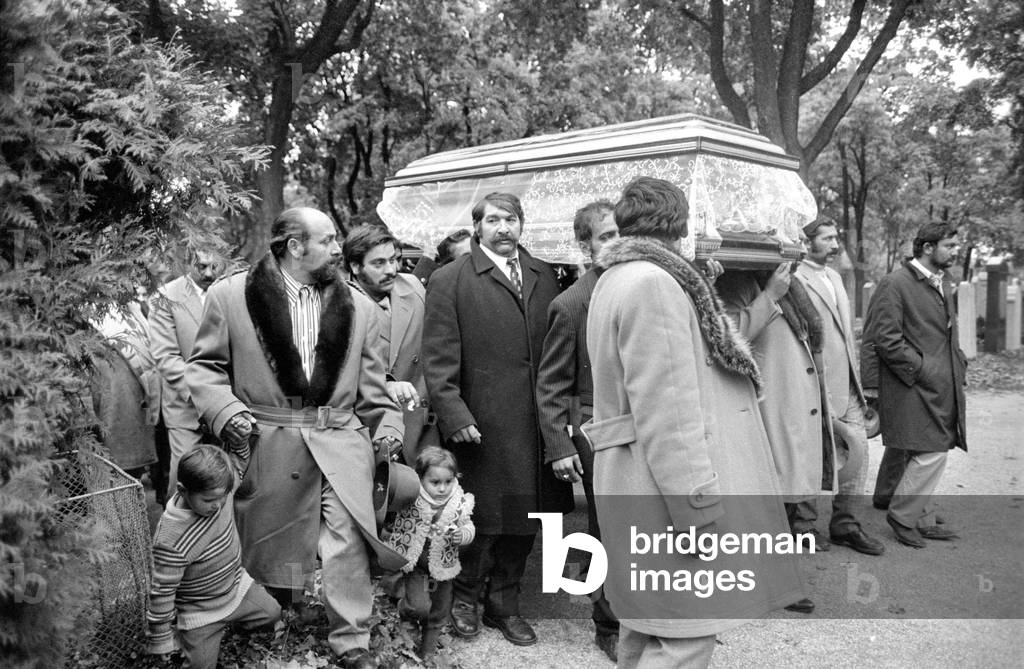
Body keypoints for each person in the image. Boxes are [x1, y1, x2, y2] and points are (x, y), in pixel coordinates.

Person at [582, 177, 803, 668]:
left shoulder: (617, 277)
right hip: (664, 490)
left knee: (646, 625)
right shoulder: (655, 285)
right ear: (680, 228)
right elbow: (670, 414)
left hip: (634, 476)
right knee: (685, 636)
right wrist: (696, 509)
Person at [186, 207, 406, 669]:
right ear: (294, 246)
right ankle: (274, 617)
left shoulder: (361, 308)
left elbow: (375, 388)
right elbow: (203, 369)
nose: (337, 249)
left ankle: (353, 642)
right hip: (269, 439)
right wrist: (227, 412)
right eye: (328, 240)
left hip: (340, 440)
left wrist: (388, 426)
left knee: (347, 538)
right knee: (279, 539)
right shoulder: (231, 297)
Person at [422, 192, 571, 646]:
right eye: (492, 220)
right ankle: (465, 599)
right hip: (483, 422)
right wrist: (454, 413)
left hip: (538, 420)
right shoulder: (451, 279)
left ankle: (505, 605)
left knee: (529, 518)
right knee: (482, 520)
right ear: (477, 228)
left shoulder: (546, 275)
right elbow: (438, 357)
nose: (503, 228)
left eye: (511, 219)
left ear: (522, 224)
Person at [534, 200, 620, 661]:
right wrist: (560, 443)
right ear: (584, 246)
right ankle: (608, 623)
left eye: (620, 233)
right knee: (608, 526)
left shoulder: (644, 287)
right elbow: (551, 384)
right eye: (606, 236)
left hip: (642, 425)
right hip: (593, 430)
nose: (616, 243)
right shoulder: (570, 304)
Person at [717, 262, 835, 555]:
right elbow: (729, 339)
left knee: (786, 505)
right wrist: (769, 295)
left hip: (794, 408)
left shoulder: (787, 281)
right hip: (768, 413)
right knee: (765, 511)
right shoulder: (737, 280)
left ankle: (778, 585)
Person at [862, 222, 966, 548]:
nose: (955, 251)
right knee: (933, 448)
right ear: (927, 248)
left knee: (921, 447)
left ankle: (921, 516)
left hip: (937, 383)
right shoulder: (895, 284)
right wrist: (924, 370)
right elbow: (885, 340)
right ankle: (904, 514)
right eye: (949, 245)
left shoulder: (943, 281)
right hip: (911, 383)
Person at [793, 219, 885, 555]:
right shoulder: (793, 277)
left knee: (857, 455)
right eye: (827, 239)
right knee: (813, 456)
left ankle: (846, 526)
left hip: (848, 385)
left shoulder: (834, 277)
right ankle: (802, 527)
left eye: (836, 238)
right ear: (806, 242)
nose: (834, 245)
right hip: (815, 384)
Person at [146, 445, 281, 669]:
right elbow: (161, 591)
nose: (217, 505)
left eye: (222, 497)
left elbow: (239, 461)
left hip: (236, 589)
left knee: (272, 614)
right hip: (201, 612)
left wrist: (239, 433)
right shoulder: (171, 540)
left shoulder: (221, 491)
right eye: (209, 500)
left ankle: (236, 623)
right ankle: (189, 638)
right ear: (182, 489)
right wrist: (160, 640)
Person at [344, 225, 440, 465]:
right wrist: (385, 383)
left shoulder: (414, 287)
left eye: (393, 260)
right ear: (355, 266)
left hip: (423, 429)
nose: (391, 270)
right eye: (378, 264)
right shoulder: (338, 305)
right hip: (372, 432)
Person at [150, 245, 227, 499]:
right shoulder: (165, 297)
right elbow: (166, 358)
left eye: (213, 266)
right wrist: (204, 395)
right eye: (201, 267)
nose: (208, 273)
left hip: (227, 404)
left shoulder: (230, 291)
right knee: (184, 480)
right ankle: (174, 534)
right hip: (186, 409)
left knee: (226, 479)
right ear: (185, 264)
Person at [384, 446, 475, 660]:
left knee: (439, 611)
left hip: (443, 567)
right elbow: (392, 509)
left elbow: (469, 526)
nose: (442, 488)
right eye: (435, 482)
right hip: (416, 564)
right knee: (419, 606)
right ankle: (406, 617)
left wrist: (462, 535)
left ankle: (428, 652)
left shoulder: (459, 502)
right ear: (420, 479)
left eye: (448, 481)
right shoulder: (412, 496)